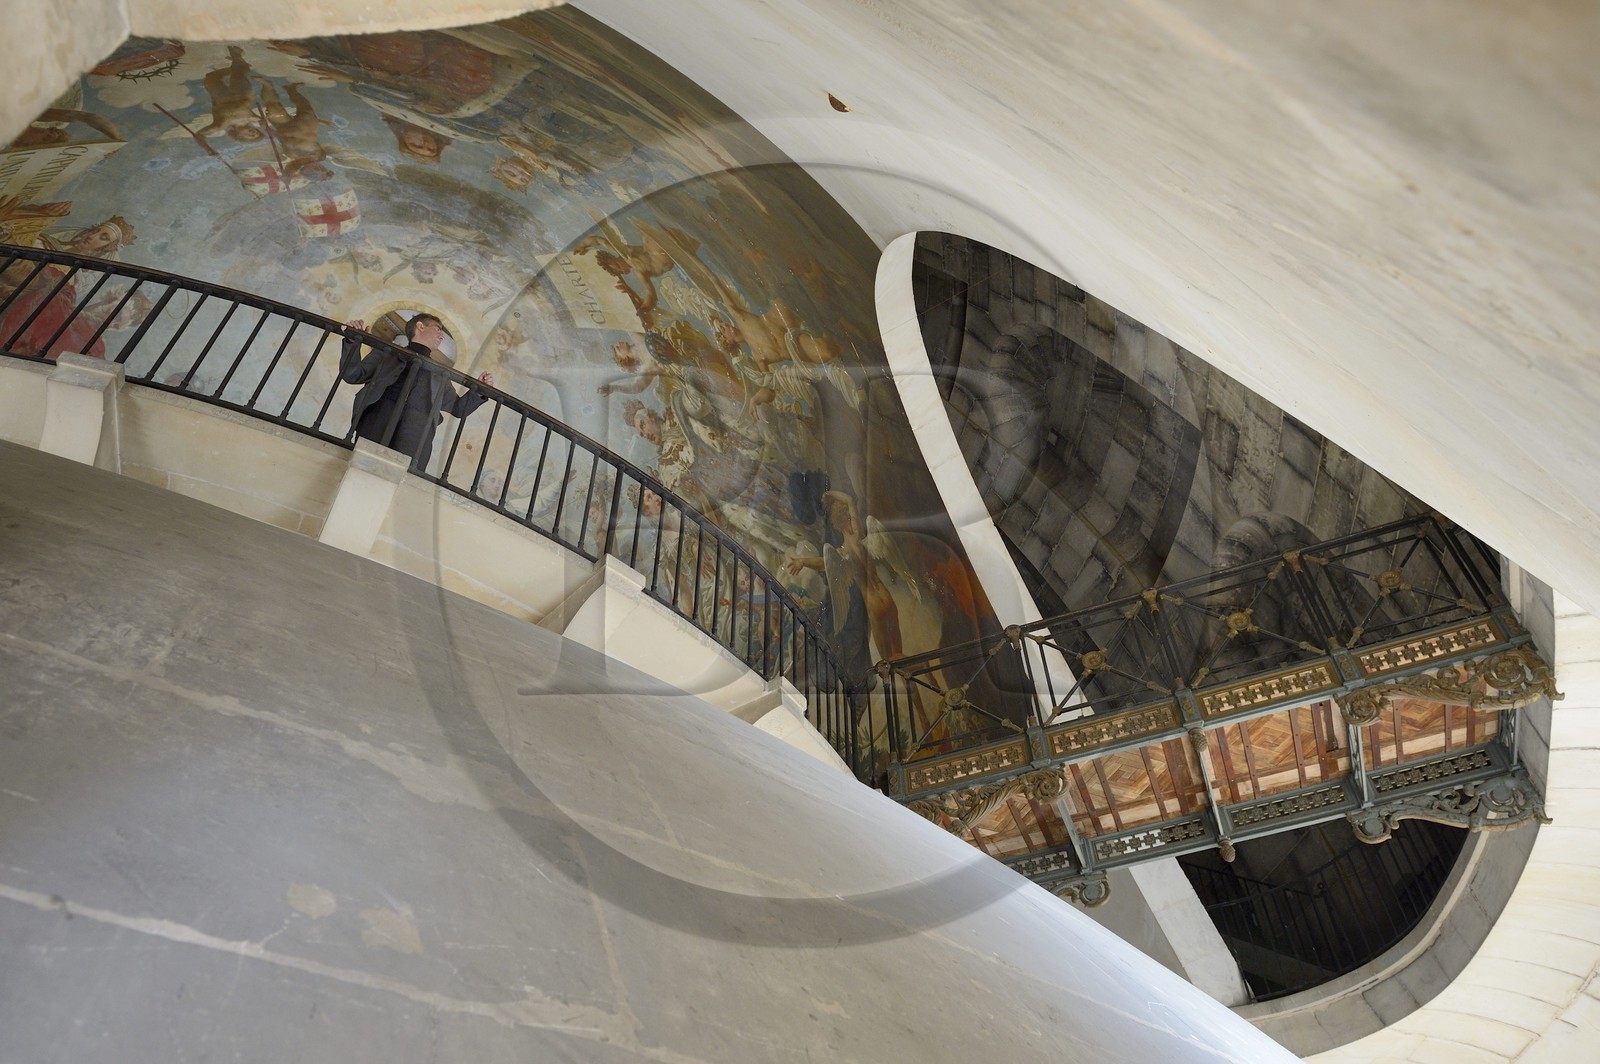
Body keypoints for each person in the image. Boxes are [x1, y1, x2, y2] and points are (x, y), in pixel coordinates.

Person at [339, 314, 494, 470]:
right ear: (420, 326)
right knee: (362, 467)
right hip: (377, 417)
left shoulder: (440, 374)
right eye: (438, 329)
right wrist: (352, 341)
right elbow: (353, 374)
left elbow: (458, 408)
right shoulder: (387, 352)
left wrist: (479, 392)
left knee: (400, 478)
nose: (441, 336)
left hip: (417, 431)